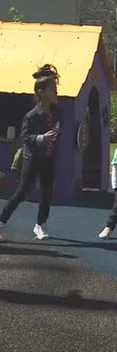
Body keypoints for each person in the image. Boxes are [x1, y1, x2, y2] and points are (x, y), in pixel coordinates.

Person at [0, 65, 62, 242]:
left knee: (46, 192)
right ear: (41, 93)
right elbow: (26, 137)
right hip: (32, 158)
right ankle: (1, 221)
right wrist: (42, 138)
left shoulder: (57, 112)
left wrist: (57, 132)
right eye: (53, 90)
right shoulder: (32, 115)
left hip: (48, 158)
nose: (56, 92)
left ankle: (40, 225)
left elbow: (58, 130)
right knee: (23, 191)